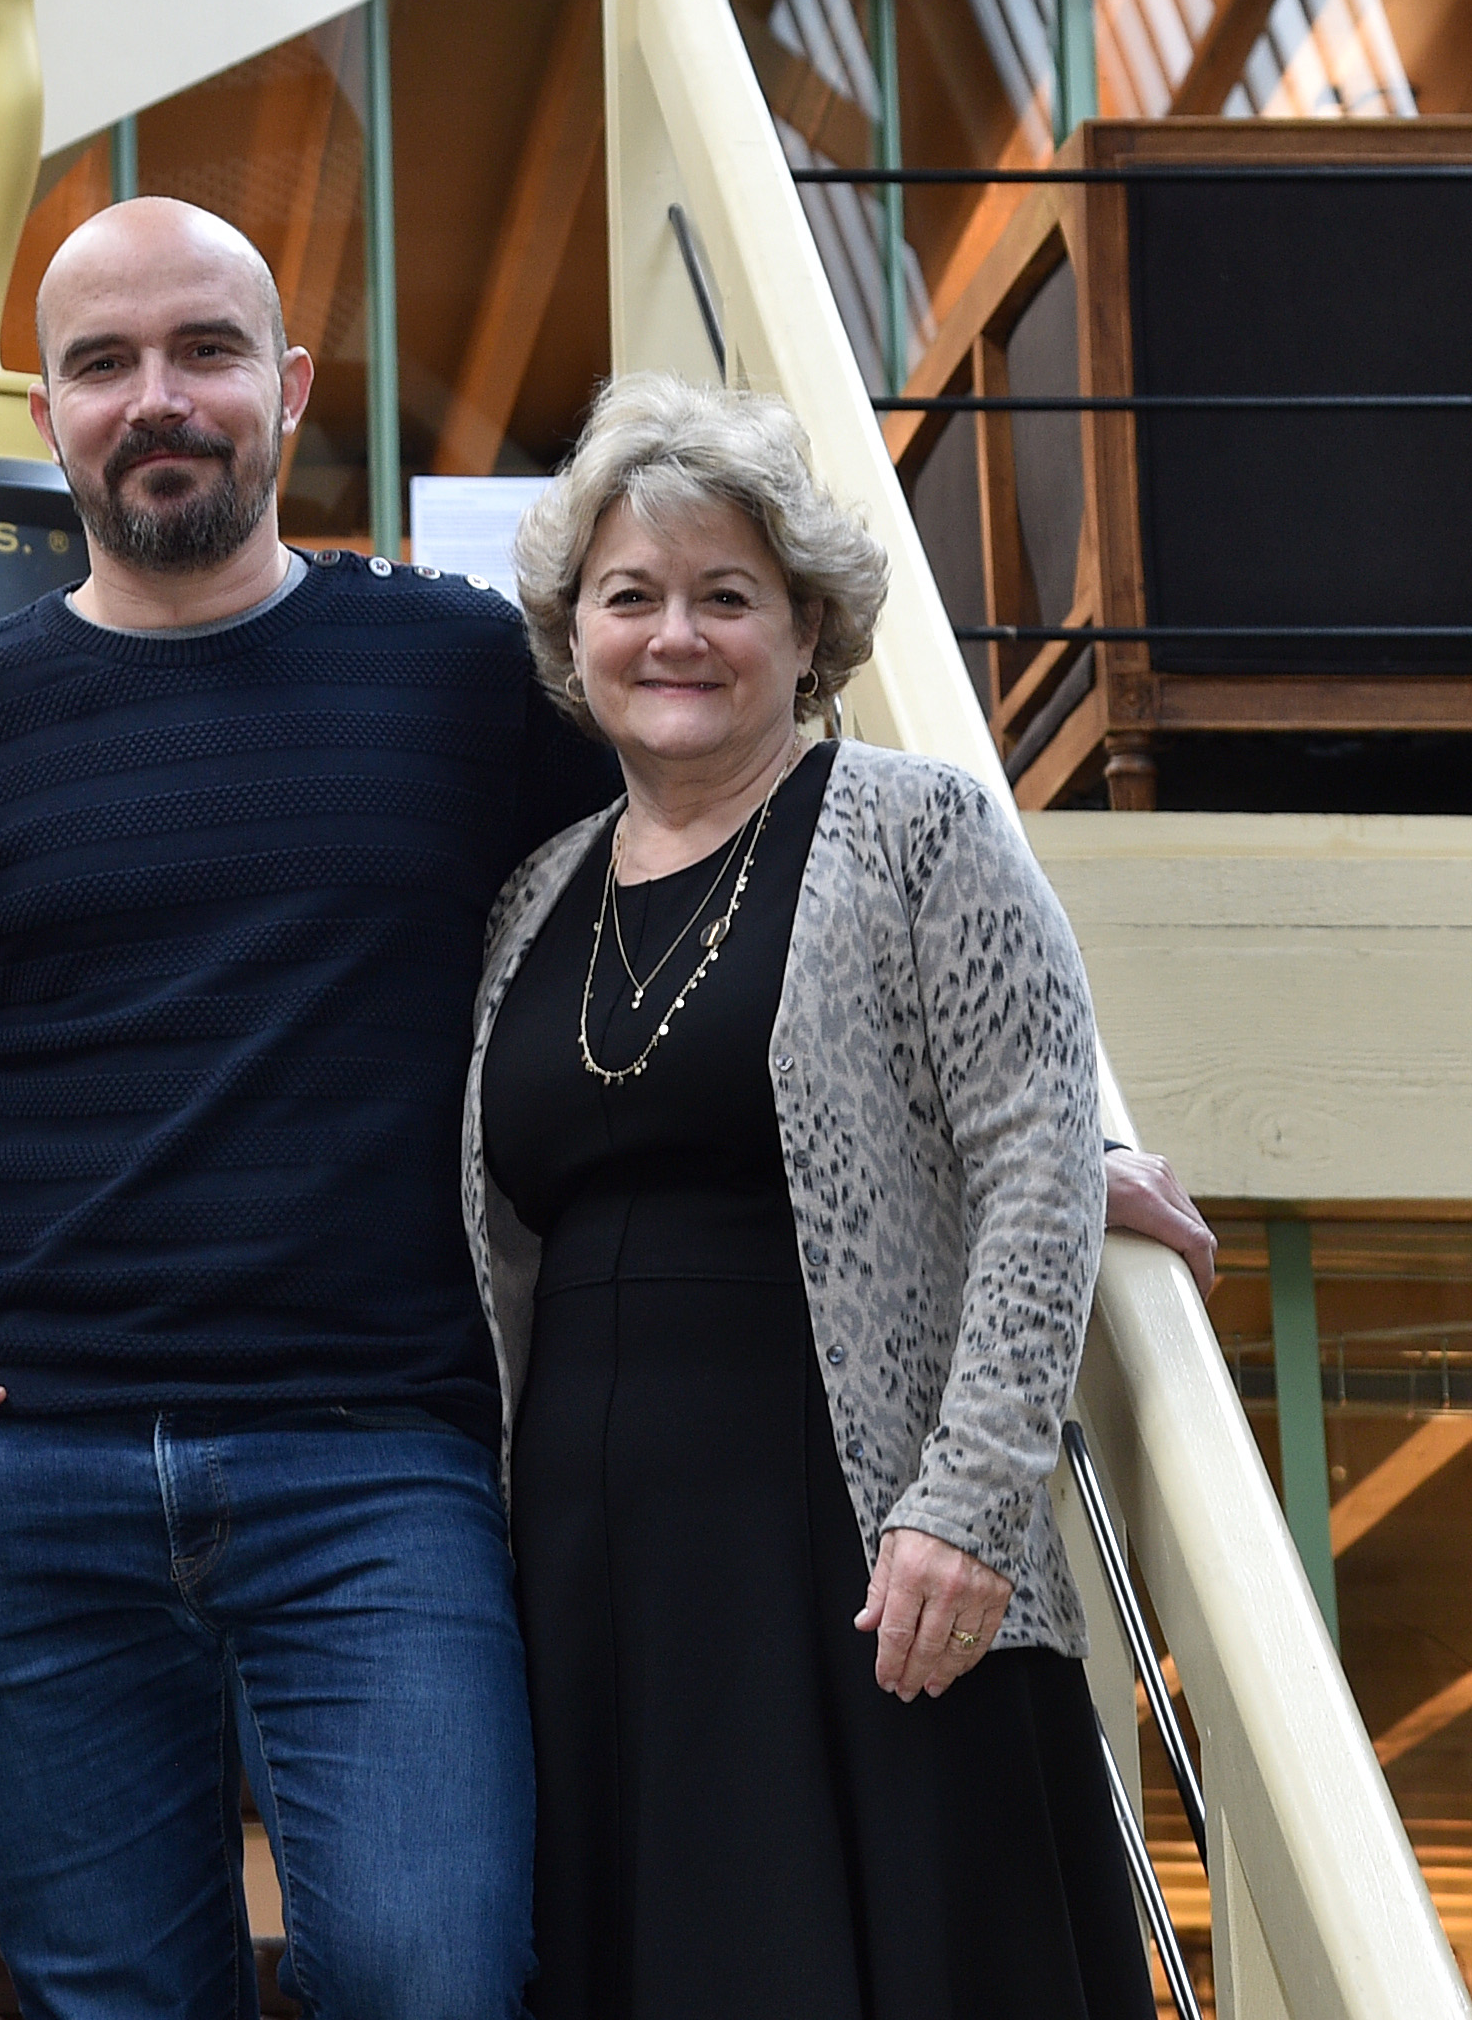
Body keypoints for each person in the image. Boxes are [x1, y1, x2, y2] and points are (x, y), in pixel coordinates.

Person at [0, 196, 613, 2020]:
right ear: (48, 418)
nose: (158, 398)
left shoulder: (466, 676)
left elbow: (710, 877)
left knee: (431, 1979)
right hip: (31, 1475)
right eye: (104, 364)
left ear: (289, 387)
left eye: (205, 351)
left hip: (376, 1463)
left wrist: (1020, 1123)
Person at [463, 376, 1156, 2020]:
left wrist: (967, 1507)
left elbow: (1035, 1155)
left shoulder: (922, 831)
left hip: (862, 1546)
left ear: (808, 628)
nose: (676, 636)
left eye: (727, 596)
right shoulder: (532, 897)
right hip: (590, 1564)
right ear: (574, 634)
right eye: (631, 597)